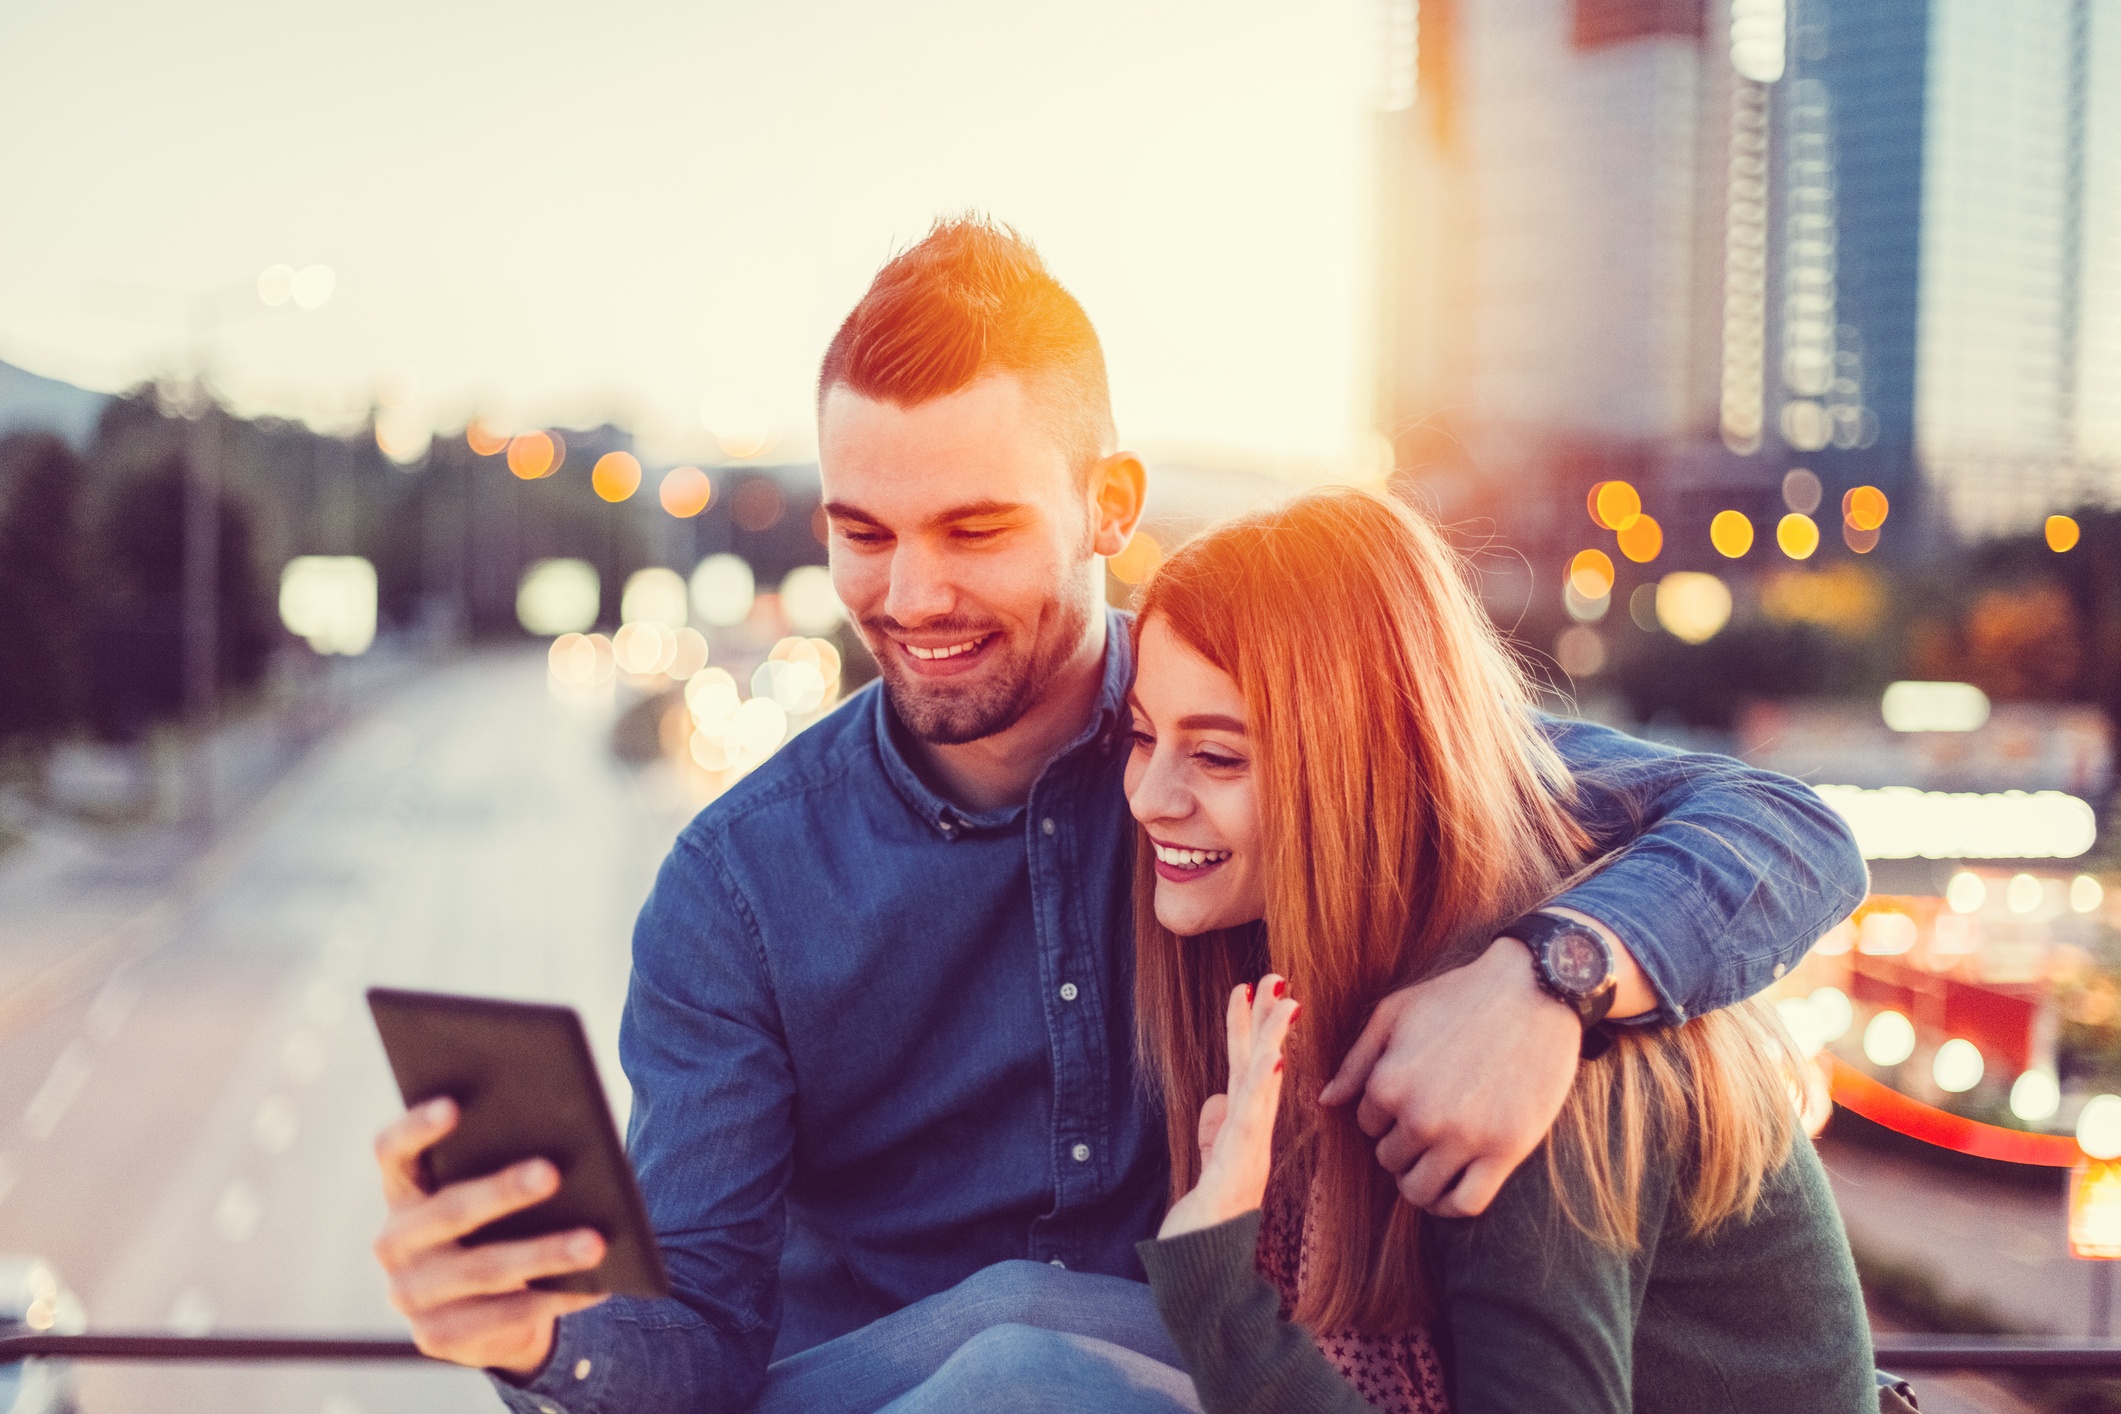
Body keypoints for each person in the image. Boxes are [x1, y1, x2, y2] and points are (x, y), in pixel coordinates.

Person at [368, 217, 1870, 1414]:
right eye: (862, 531)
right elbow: (691, 1344)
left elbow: (1776, 823)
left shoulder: (1269, 720)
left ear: (1108, 501)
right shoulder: (740, 884)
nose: (910, 594)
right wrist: (537, 1329)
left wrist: (1544, 978)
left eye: (975, 527)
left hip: (1223, 1369)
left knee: (1024, 1344)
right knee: (1008, 1339)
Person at [1110, 488, 1875, 1413]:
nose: (1149, 796)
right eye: (1142, 736)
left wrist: (1216, 1287)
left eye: (1219, 757)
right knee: (1013, 1334)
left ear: (1360, 770)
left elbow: (1799, 824)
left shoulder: (1514, 1071)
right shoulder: (1310, 959)